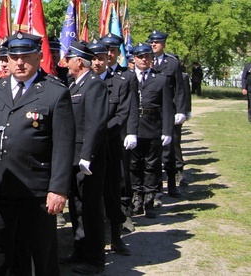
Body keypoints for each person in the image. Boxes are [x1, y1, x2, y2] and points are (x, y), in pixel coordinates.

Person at [0, 32, 75, 276]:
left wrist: (59, 189)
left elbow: (64, 145)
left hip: (37, 190)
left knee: (38, 255)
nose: (19, 62)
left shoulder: (55, 92)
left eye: (26, 56)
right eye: (14, 56)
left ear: (39, 57)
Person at [60, 41, 109, 275]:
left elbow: (96, 123)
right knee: (77, 207)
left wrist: (87, 155)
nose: (66, 63)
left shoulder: (94, 86)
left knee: (89, 208)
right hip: (75, 157)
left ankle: (94, 259)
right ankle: (80, 251)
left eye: (69, 58)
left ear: (78, 61)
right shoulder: (75, 85)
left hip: (87, 160)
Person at [89, 39, 137, 256]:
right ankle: (87, 243)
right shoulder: (79, 82)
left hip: (109, 147)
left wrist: (99, 132)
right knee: (87, 197)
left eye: (104, 56)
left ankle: (117, 237)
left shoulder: (120, 81)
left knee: (112, 194)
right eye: (95, 57)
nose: (99, 61)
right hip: (85, 150)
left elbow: (122, 114)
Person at [123, 42, 175, 219]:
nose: (144, 59)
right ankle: (136, 198)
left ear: (152, 59)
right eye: (140, 56)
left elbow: (167, 107)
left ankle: (149, 200)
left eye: (147, 56)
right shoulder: (127, 78)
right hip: (133, 128)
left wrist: (167, 131)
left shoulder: (160, 79)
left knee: (151, 166)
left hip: (152, 127)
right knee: (133, 165)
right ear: (134, 59)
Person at [147, 30, 187, 198]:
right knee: (154, 152)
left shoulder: (172, 63)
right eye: (151, 42)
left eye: (156, 42)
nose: (153, 45)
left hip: (169, 111)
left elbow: (180, 89)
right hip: (153, 113)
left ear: (163, 44)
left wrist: (181, 111)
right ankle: (156, 189)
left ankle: (172, 184)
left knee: (170, 149)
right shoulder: (145, 60)